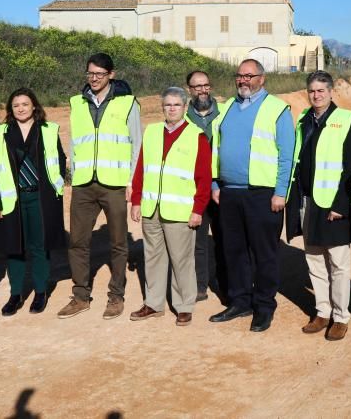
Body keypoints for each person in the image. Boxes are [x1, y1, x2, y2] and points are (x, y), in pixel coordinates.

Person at [208, 59, 294, 332]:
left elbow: (286, 156)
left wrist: (281, 192)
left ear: (262, 78)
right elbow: (216, 149)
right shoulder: (226, 108)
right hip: (229, 192)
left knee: (264, 253)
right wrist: (214, 184)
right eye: (239, 75)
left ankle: (264, 306)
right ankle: (240, 301)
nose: (243, 80)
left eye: (249, 76)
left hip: (262, 194)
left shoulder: (277, 109)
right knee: (234, 251)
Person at [58, 53, 141, 320]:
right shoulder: (76, 103)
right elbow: (75, 143)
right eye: (90, 74)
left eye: (100, 74)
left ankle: (116, 296)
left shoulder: (128, 104)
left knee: (118, 243)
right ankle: (80, 296)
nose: (94, 79)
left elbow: (136, 146)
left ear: (111, 75)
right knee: (78, 242)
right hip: (83, 184)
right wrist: (73, 176)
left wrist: (132, 182)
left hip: (114, 184)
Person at [285, 70, 351, 341]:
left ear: (331, 92)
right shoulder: (304, 120)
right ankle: (322, 312)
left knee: (338, 262)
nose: (316, 95)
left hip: (332, 203)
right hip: (307, 200)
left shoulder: (345, 120)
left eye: (321, 90)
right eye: (312, 91)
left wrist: (341, 204)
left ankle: (341, 317)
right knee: (315, 260)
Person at [128, 87, 211, 326]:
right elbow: (141, 169)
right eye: (167, 105)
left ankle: (184, 305)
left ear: (185, 108)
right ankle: (153, 304)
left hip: (180, 212)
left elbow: (204, 178)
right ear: (162, 107)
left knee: (181, 260)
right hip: (151, 208)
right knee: (152, 257)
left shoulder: (197, 136)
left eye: (176, 105)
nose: (172, 109)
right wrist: (136, 200)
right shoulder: (152, 132)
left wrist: (198, 209)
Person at [0, 88, 67, 316]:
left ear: (34, 106)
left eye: (25, 104)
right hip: (13, 199)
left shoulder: (48, 130)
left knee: (40, 246)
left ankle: (40, 292)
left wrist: (56, 186)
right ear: (11, 110)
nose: (21, 108)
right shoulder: (0, 133)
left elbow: (59, 159)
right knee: (15, 248)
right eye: (16, 105)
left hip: (42, 198)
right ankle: (16, 295)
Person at [184, 70, 226, 303]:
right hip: (194, 188)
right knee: (198, 240)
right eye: (196, 86)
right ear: (189, 89)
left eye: (205, 85)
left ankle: (222, 281)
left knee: (223, 238)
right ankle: (200, 285)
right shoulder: (184, 117)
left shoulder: (224, 113)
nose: (202, 90)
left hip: (221, 187)